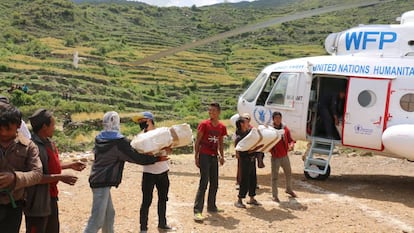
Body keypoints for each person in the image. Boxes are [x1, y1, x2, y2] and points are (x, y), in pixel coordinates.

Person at [84, 111, 167, 233]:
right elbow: (136, 158)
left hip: (98, 179)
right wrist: (156, 158)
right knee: (96, 220)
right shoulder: (118, 141)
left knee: (109, 215)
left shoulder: (100, 137)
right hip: (102, 181)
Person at [24, 109, 86, 233]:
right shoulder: (34, 147)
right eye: (52, 125)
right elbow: (36, 177)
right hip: (38, 201)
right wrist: (61, 177)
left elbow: (49, 166)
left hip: (50, 197)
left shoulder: (49, 143)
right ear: (44, 127)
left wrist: (70, 165)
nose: (54, 128)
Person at [0, 104, 42, 232]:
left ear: (18, 125)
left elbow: (37, 173)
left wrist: (15, 178)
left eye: (8, 129)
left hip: (14, 205)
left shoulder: (29, 147)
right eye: (0, 129)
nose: (3, 133)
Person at [131, 112, 174, 233]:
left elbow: (170, 150)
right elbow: (140, 156)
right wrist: (154, 153)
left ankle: (162, 223)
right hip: (149, 173)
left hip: (163, 171)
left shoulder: (162, 133)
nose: (140, 123)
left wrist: (166, 149)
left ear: (149, 120)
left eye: (142, 121)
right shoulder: (139, 139)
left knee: (163, 199)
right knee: (146, 201)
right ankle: (143, 228)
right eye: (139, 122)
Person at [193, 102, 227, 221]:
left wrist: (222, 156)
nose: (211, 112)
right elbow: (198, 141)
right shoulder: (204, 124)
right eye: (210, 110)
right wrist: (196, 156)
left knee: (215, 183)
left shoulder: (222, 127)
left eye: (213, 110)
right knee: (204, 182)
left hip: (213, 156)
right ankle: (197, 210)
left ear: (218, 112)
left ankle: (212, 206)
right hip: (204, 155)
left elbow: (220, 142)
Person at [234, 116, 261, 208]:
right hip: (245, 161)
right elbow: (242, 151)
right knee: (244, 180)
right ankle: (240, 199)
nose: (248, 124)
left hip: (252, 160)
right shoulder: (239, 137)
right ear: (241, 124)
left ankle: (252, 198)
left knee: (253, 178)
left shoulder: (249, 134)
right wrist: (253, 150)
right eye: (246, 122)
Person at [270, 111, 296, 203]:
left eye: (279, 118)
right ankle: (274, 195)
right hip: (275, 157)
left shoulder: (285, 129)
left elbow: (291, 140)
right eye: (276, 118)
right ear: (273, 119)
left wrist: (291, 145)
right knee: (274, 177)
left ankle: (289, 189)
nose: (278, 120)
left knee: (288, 173)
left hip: (285, 156)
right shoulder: (270, 130)